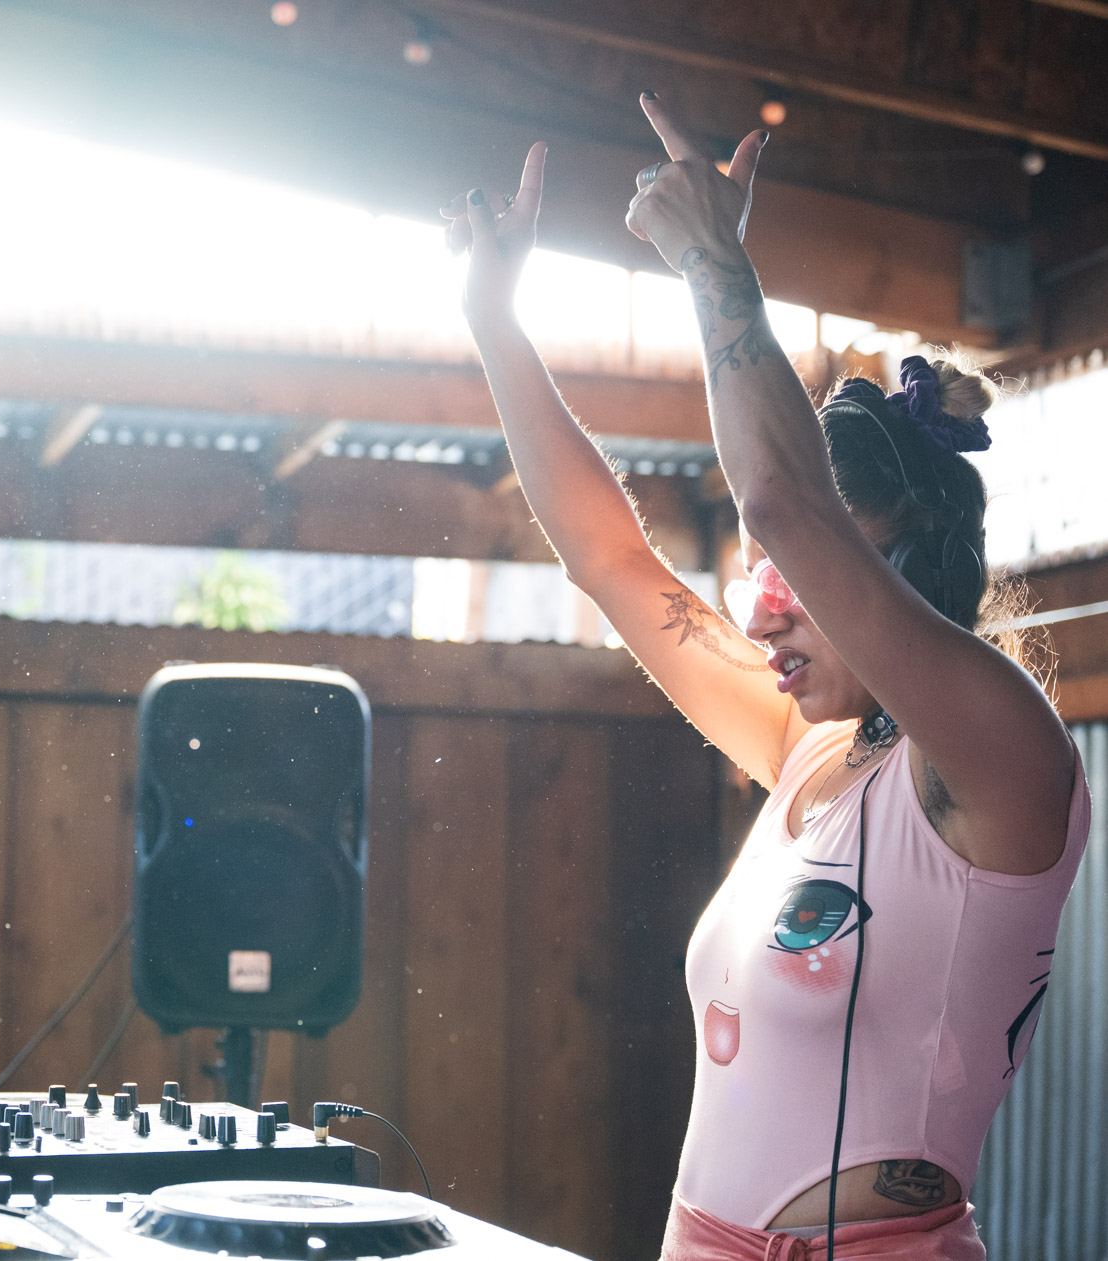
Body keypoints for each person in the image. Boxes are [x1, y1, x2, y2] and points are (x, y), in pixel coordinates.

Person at [442, 97, 1091, 1260]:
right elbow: (608, 560)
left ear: (890, 573)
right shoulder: (806, 746)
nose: (760, 608)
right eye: (758, 576)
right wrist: (494, 321)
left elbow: (779, 500)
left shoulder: (1001, 752)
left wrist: (710, 264)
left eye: (801, 578)